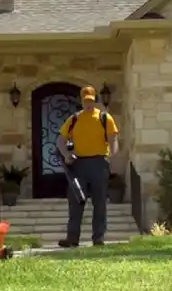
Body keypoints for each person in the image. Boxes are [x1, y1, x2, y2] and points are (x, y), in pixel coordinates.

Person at [56, 86, 119, 248]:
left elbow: (113, 139)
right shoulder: (74, 119)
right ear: (81, 101)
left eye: (91, 101)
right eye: (86, 101)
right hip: (79, 165)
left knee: (99, 202)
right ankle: (72, 239)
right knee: (76, 201)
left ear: (95, 100)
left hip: (99, 163)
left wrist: (111, 155)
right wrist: (66, 155)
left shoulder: (105, 118)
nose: (88, 104)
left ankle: (98, 238)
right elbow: (60, 140)